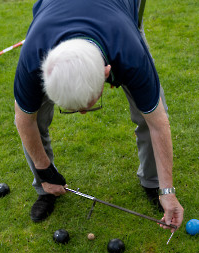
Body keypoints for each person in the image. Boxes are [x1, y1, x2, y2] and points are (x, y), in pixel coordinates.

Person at [14, 0, 184, 232]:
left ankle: (153, 183)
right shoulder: (33, 56)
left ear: (107, 72)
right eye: (74, 108)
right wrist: (44, 169)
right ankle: (46, 186)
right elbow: (24, 120)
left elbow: (158, 122)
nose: (83, 113)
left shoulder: (130, 52)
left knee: (148, 113)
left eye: (87, 105)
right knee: (37, 117)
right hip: (53, 15)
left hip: (119, 16)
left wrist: (168, 190)